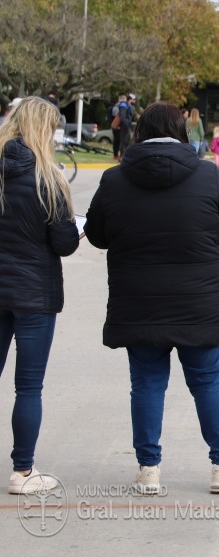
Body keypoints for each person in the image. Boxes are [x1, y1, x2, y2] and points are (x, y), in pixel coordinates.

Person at [84, 102, 219, 495]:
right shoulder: (207, 176)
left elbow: (96, 235)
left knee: (145, 384)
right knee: (208, 382)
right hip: (199, 304)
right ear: (182, 132)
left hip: (139, 302)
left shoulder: (113, 180)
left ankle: (148, 470)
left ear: (139, 132)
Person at [0, 96, 80, 494]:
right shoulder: (49, 179)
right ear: (42, 130)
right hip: (34, 293)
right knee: (28, 386)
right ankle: (23, 472)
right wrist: (76, 227)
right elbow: (64, 244)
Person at [119, 93, 137, 159]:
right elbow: (123, 117)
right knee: (123, 141)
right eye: (134, 100)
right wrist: (126, 124)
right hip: (125, 126)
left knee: (127, 141)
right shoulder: (124, 105)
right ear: (130, 99)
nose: (135, 101)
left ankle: (125, 156)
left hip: (128, 125)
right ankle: (122, 156)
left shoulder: (130, 106)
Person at [110, 95, 126, 160]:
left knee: (119, 141)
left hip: (118, 127)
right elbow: (117, 117)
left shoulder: (119, 107)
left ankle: (117, 154)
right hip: (116, 127)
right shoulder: (117, 107)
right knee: (117, 141)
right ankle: (115, 155)